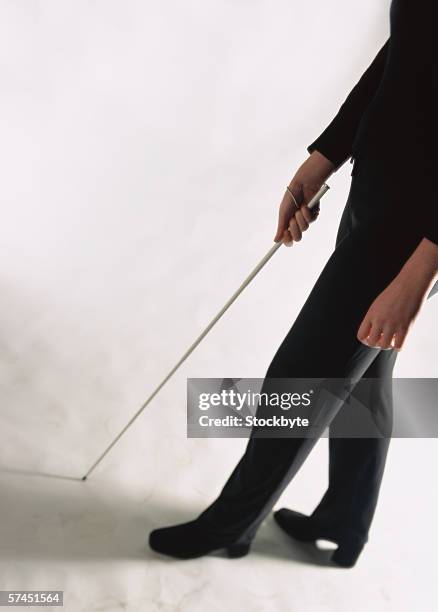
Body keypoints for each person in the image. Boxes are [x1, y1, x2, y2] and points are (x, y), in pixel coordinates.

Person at [148, 0, 438, 567]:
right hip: (376, 190)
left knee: (303, 374)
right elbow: (401, 59)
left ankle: (232, 525)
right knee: (361, 374)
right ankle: (345, 519)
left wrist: (421, 270)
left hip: (416, 224)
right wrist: (326, 156)